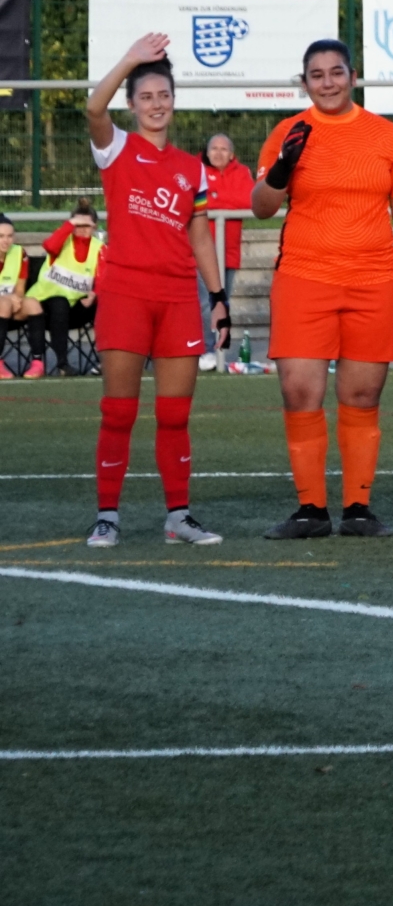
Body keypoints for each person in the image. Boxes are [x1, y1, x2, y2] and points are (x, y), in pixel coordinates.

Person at [252, 39, 393, 539]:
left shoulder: (387, 136)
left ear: (353, 77)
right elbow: (262, 207)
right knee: (300, 392)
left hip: (371, 281)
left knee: (361, 393)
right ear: (304, 83)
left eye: (336, 72)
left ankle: (358, 508)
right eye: (316, 75)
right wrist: (282, 167)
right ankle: (311, 510)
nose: (328, 82)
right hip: (303, 278)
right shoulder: (287, 132)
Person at [75, 34, 230, 547]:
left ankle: (178, 518)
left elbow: (200, 236)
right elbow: (92, 107)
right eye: (146, 97)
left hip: (178, 298)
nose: (156, 104)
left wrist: (219, 298)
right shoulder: (116, 147)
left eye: (164, 95)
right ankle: (107, 516)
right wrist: (131, 59)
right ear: (132, 104)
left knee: (175, 414)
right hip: (125, 293)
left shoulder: (192, 167)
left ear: (174, 101)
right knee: (119, 411)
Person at [21, 201, 104, 379]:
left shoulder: (99, 248)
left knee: (106, 303)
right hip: (42, 307)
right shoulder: (62, 240)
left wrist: (94, 294)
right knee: (60, 303)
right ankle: (62, 363)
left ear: (94, 226)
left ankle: (105, 361)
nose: (82, 229)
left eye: (86, 225)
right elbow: (49, 246)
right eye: (78, 225)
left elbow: (103, 278)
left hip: (75, 308)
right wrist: (70, 224)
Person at [197, 133, 251, 371]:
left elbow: (248, 200)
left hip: (228, 252)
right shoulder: (196, 169)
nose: (218, 153)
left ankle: (219, 351)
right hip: (201, 252)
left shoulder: (242, 172)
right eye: (214, 148)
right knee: (205, 303)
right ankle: (207, 350)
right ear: (207, 151)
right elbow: (195, 201)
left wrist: (215, 197)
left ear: (231, 154)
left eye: (223, 149)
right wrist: (224, 199)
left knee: (223, 303)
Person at [0, 216, 27, 377]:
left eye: (10, 236)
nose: (6, 241)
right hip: (4, 305)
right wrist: (8, 299)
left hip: (10, 307)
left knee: (33, 305)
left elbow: (20, 289)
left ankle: (37, 361)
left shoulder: (19, 253)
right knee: (3, 304)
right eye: (1, 236)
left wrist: (15, 299)